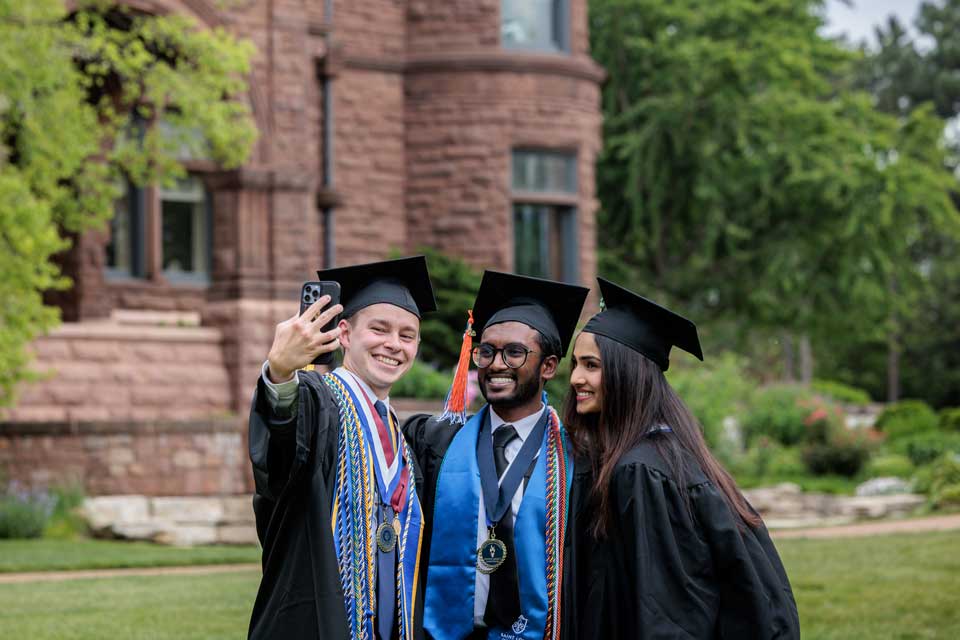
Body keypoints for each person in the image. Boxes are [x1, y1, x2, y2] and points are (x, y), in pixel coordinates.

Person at [560, 278, 800, 640]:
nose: (576, 377)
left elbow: (663, 611)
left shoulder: (641, 471)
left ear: (629, 372)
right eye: (576, 364)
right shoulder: (666, 453)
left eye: (591, 365)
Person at [248, 256, 436, 640]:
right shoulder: (320, 403)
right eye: (379, 329)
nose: (393, 345)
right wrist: (281, 374)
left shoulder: (400, 435)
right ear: (345, 333)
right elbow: (281, 452)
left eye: (407, 335)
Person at [403, 270, 589, 640]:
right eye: (486, 351)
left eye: (515, 352)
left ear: (549, 366)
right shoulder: (435, 442)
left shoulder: (579, 457)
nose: (496, 364)